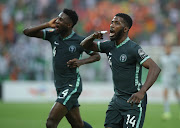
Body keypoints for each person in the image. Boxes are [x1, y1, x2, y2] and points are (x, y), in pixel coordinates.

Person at [23, 8, 100, 128]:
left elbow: (96, 56)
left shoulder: (80, 41)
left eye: (61, 20)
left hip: (72, 85)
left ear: (69, 25)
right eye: (57, 18)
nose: (57, 21)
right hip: (59, 85)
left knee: (51, 121)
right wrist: (47, 24)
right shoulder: (53, 34)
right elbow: (27, 32)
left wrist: (80, 62)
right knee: (77, 124)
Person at [81, 13, 161, 128]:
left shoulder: (133, 48)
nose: (112, 25)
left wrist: (142, 91)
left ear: (125, 29)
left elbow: (155, 68)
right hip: (116, 100)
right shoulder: (109, 45)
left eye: (117, 23)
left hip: (133, 101)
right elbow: (84, 45)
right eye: (112, 22)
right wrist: (93, 36)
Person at [159, 44, 180, 120]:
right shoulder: (162, 58)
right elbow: (161, 67)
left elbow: (178, 67)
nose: (167, 50)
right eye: (166, 48)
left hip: (174, 78)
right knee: (165, 93)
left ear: (171, 49)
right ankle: (166, 111)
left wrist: (177, 73)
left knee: (176, 93)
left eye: (168, 48)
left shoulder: (175, 58)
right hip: (166, 78)